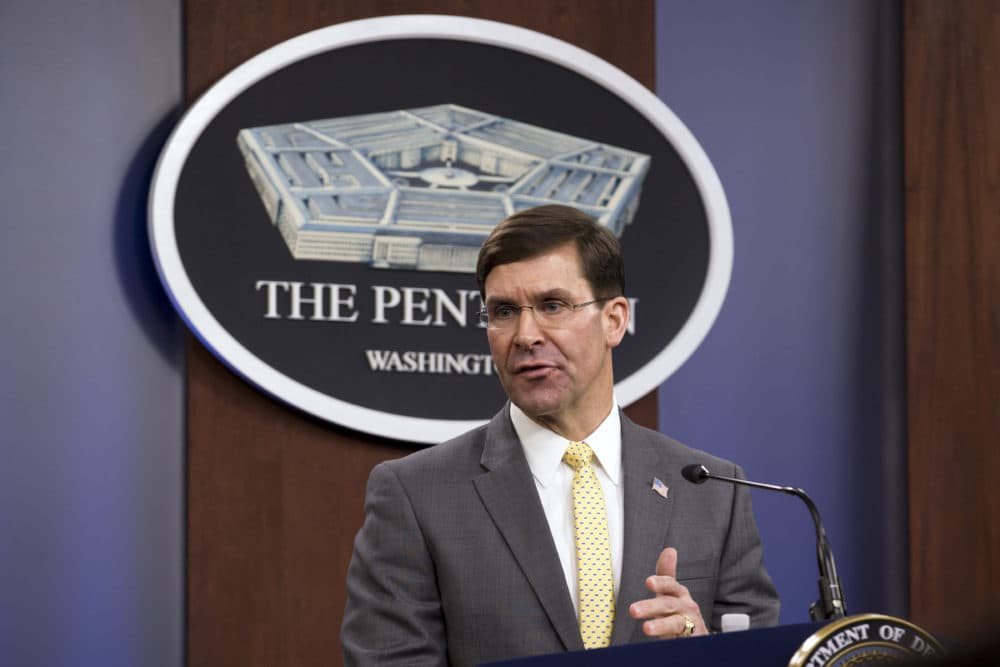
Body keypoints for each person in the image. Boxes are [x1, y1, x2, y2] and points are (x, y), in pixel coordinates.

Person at [342, 204, 779, 666]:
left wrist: (707, 646)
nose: (526, 334)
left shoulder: (710, 491)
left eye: (553, 305)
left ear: (614, 320)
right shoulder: (417, 495)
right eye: (504, 311)